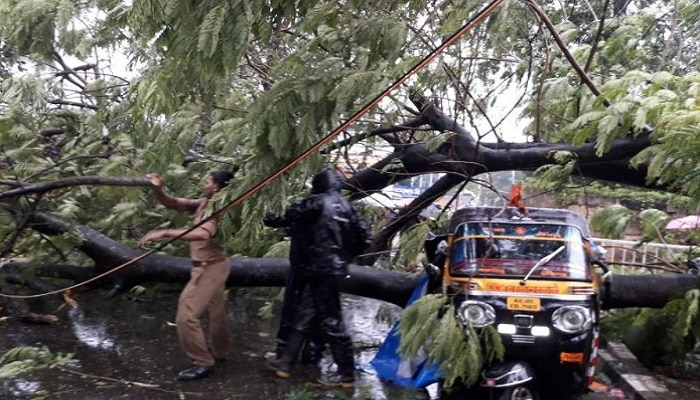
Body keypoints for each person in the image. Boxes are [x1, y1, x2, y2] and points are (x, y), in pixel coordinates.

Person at [263, 166, 371, 388]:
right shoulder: (349, 208)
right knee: (304, 316)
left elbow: (290, 215)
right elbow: (365, 239)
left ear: (318, 184)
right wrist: (344, 256)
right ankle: (285, 365)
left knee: (332, 321)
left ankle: (347, 375)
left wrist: (271, 218)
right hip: (333, 270)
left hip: (317, 270)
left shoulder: (315, 202)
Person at [138, 170, 234, 381]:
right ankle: (220, 353)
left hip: (209, 269)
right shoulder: (204, 202)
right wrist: (158, 189)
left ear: (216, 187)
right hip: (216, 266)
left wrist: (165, 232)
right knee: (216, 312)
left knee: (186, 314)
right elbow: (173, 203)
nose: (204, 182)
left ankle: (202, 362)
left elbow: (203, 233)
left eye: (208, 180)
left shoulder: (219, 208)